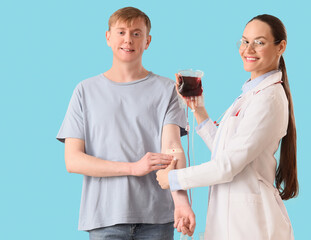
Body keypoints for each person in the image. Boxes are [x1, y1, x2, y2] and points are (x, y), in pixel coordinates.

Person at [56, 7, 195, 240]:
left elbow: (172, 148)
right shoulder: (84, 91)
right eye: (121, 32)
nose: (128, 40)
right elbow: (73, 160)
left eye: (136, 33)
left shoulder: (167, 89)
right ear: (108, 37)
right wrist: (132, 168)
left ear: (147, 41)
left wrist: (182, 202)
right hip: (105, 218)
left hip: (157, 218)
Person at [157, 14, 298, 240]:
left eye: (259, 42)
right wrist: (198, 110)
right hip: (231, 221)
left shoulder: (268, 99)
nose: (248, 49)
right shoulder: (251, 94)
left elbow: (226, 166)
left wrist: (172, 179)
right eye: (244, 41)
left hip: (251, 225)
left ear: (280, 47)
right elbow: (228, 151)